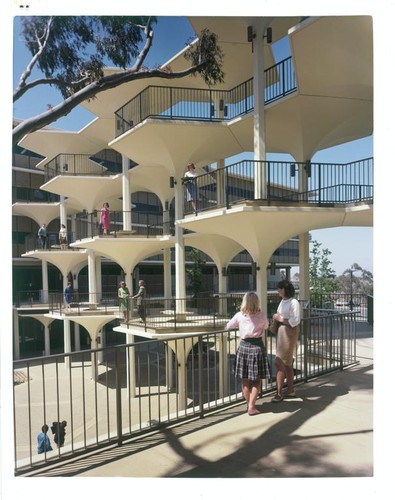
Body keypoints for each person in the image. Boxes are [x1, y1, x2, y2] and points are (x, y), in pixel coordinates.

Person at [225, 291, 270, 416]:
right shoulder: (262, 315)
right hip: (257, 347)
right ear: (257, 302)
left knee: (245, 380)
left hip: (244, 347)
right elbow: (266, 326)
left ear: (245, 301)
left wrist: (240, 327)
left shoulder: (240, 315)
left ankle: (249, 404)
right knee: (256, 380)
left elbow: (228, 326)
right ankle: (251, 406)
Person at [271, 279, 301, 402]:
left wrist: (280, 318)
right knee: (287, 363)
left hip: (289, 334)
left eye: (280, 288)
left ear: (285, 289)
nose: (278, 290)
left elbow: (295, 321)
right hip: (282, 333)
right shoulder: (283, 301)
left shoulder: (294, 302)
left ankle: (279, 393)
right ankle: (290, 390)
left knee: (279, 363)